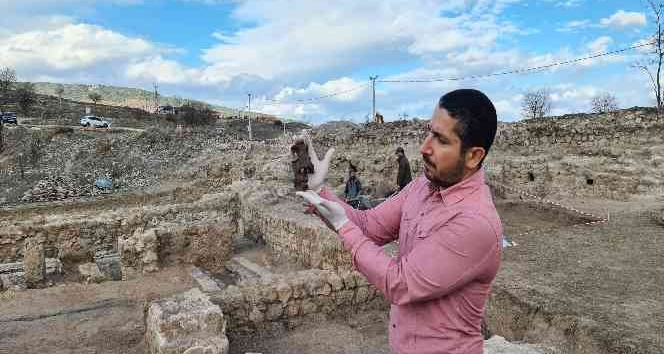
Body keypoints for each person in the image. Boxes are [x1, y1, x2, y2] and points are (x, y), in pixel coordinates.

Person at [297, 89, 502, 354]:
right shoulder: (422, 186)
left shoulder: (475, 223)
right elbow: (369, 226)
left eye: (440, 140)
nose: (424, 147)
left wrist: (343, 227)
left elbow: (400, 283)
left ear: (474, 156)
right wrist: (319, 190)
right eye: (429, 132)